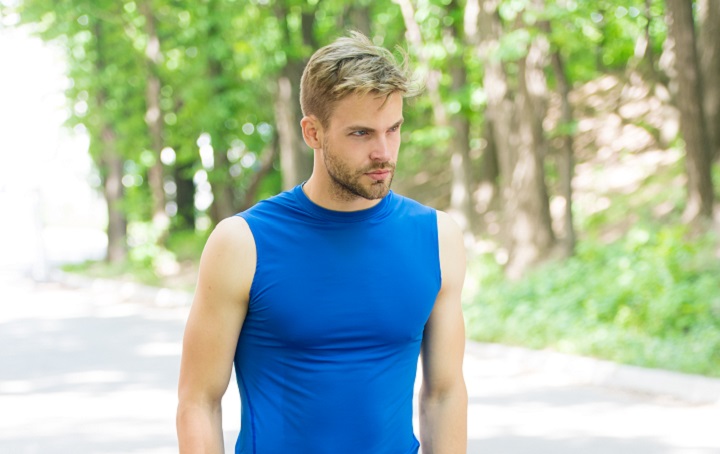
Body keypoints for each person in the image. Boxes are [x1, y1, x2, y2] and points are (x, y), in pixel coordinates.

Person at [177, 31, 467, 454]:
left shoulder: (437, 237)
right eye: (361, 134)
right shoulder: (242, 243)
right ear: (312, 132)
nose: (384, 152)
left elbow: (444, 394)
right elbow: (198, 401)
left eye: (394, 129)